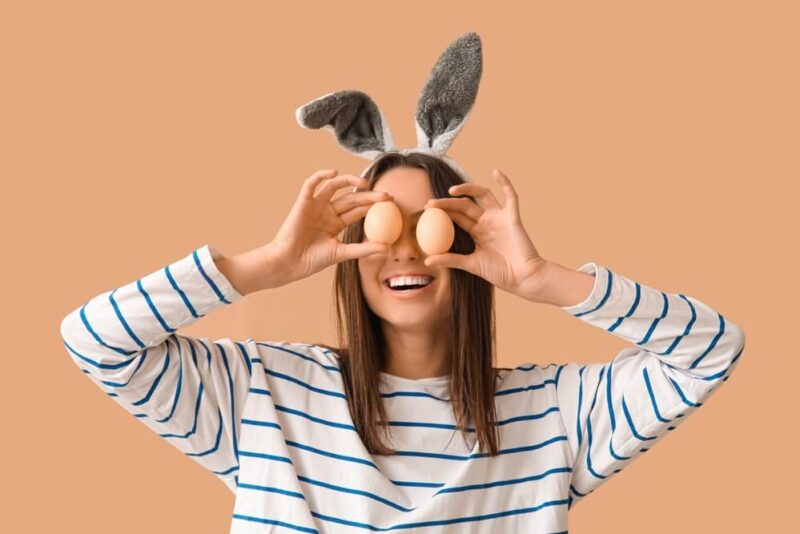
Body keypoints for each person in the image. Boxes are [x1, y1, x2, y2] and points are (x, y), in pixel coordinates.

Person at [60, 151, 746, 533]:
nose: (406, 253)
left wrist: (543, 279)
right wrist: (263, 266)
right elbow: (93, 340)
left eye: (429, 226)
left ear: (470, 247)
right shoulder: (260, 395)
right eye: (383, 229)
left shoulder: (551, 413)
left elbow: (712, 350)